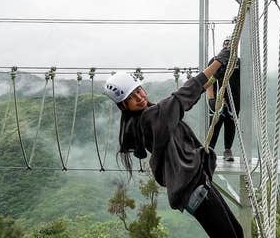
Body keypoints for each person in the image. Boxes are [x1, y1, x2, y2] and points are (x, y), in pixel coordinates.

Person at [104, 46, 243, 237]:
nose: (139, 97)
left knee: (236, 232)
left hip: (195, 186)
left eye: (138, 91)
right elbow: (184, 95)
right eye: (131, 97)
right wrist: (217, 62)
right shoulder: (150, 118)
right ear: (123, 105)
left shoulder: (137, 123)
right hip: (195, 189)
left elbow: (188, 94)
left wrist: (214, 75)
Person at [205, 36, 240, 162]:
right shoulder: (215, 62)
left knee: (230, 124)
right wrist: (211, 99)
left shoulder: (239, 63)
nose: (228, 48)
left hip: (234, 100)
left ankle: (227, 150)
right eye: (226, 45)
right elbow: (208, 81)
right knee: (214, 125)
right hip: (218, 99)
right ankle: (209, 151)